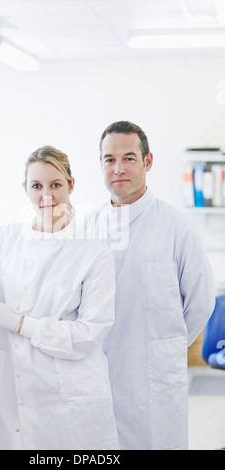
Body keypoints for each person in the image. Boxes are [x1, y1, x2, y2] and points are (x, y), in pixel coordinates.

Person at [0, 146, 119, 451]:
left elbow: (89, 334)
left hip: (65, 396)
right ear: (25, 189)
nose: (46, 196)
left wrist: (19, 323)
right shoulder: (3, 239)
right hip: (11, 394)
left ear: (71, 185)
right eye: (36, 186)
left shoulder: (93, 253)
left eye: (56, 185)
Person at [84, 121, 215, 450]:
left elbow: (200, 301)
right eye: (109, 159)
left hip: (154, 381)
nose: (119, 168)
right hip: (97, 375)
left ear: (148, 161)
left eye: (129, 158)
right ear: (99, 164)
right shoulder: (85, 228)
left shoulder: (177, 227)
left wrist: (165, 347)